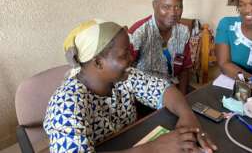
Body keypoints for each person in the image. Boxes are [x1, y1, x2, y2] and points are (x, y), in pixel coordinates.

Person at [43, 19, 216, 153]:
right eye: (124, 54)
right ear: (98, 62)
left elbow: (164, 89)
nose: (131, 58)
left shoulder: (124, 77)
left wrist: (187, 116)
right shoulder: (66, 104)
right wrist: (154, 148)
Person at [128, 0, 193, 94]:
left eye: (178, 7)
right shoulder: (138, 32)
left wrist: (183, 96)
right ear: (154, 5)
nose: (173, 13)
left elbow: (184, 69)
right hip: (144, 94)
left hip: (173, 89)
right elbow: (125, 71)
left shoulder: (183, 31)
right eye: (166, 7)